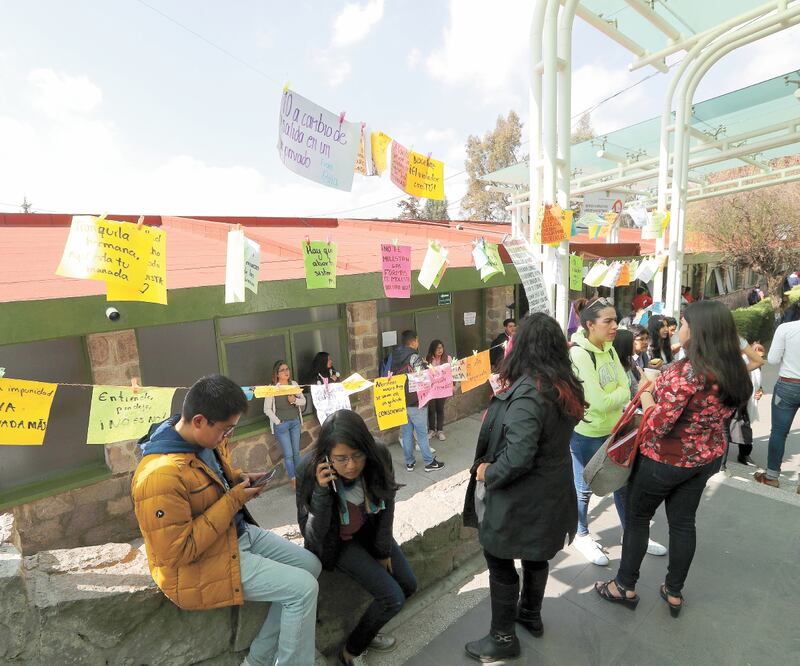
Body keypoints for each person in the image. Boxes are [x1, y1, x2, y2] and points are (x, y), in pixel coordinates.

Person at [132, 375, 321, 665]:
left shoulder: (203, 440)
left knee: (311, 566)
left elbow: (213, 477)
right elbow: (177, 552)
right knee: (303, 589)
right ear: (198, 421)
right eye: (225, 430)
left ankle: (257, 659)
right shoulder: (158, 476)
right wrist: (234, 499)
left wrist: (239, 479)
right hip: (201, 562)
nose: (227, 437)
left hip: (233, 534)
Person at [595, 301, 752, 616]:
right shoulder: (734, 368)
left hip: (665, 460)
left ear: (697, 330)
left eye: (683, 322)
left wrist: (647, 393)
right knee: (683, 522)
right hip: (706, 458)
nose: (679, 328)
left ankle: (624, 586)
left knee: (638, 519)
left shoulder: (685, 372)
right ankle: (674, 590)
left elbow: (657, 424)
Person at [462, 313, 584, 663]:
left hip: (522, 496)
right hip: (550, 491)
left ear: (523, 347)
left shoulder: (531, 392)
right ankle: (530, 614)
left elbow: (517, 457)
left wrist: (487, 472)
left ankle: (502, 637)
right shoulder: (564, 383)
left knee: (499, 560)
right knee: (535, 555)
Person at [296, 410, 416, 666]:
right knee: (392, 598)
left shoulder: (378, 455)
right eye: (341, 459)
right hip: (336, 543)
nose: (350, 465)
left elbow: (387, 501)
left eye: (357, 455)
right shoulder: (308, 469)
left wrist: (383, 551)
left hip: (368, 531)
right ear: (327, 455)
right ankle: (349, 654)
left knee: (408, 586)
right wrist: (321, 492)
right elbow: (312, 537)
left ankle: (368, 631)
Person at [569, 298, 666, 566]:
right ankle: (581, 534)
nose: (615, 326)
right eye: (608, 321)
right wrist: (618, 394)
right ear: (590, 324)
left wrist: (616, 393)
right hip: (587, 432)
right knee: (584, 486)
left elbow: (627, 386)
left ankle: (631, 534)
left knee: (622, 483)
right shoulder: (578, 353)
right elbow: (598, 402)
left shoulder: (610, 348)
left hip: (617, 427)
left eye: (616, 320)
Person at [754, 316, 800, 489]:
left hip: (788, 385)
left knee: (779, 433)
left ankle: (772, 476)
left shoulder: (786, 328)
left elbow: (772, 359)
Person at [391, 330, 445, 473]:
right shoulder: (414, 356)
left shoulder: (395, 355)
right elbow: (422, 377)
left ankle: (409, 463)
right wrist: (428, 367)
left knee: (407, 433)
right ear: (413, 341)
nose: (418, 343)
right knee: (421, 433)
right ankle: (429, 462)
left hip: (400, 400)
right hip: (415, 401)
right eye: (417, 341)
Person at [263, 360, 307, 490]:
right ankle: (294, 479)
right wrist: (277, 421)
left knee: (296, 453)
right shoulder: (272, 388)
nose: (286, 372)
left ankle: (300, 478)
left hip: (295, 422)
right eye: (282, 370)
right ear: (276, 374)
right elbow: (267, 409)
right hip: (282, 425)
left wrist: (295, 400)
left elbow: (303, 401)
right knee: (288, 455)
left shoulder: (293, 384)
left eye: (287, 369)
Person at [728, 342, 764, 466]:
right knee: (729, 428)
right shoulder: (739, 361)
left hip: (746, 401)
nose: (759, 352)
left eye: (761, 350)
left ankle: (744, 455)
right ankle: (723, 460)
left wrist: (760, 391)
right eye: (756, 349)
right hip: (734, 400)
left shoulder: (756, 365)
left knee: (743, 428)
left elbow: (757, 384)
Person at [426, 339, 452, 441]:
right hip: (432, 389)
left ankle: (440, 430)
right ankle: (432, 430)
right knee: (431, 410)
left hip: (442, 389)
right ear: (433, 349)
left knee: (440, 409)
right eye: (437, 348)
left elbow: (451, 372)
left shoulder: (447, 358)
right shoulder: (428, 359)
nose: (440, 350)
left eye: (441, 347)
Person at [612, 329, 642, 400]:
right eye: (633, 342)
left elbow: (634, 386)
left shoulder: (626, 363)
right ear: (624, 345)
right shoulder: (615, 367)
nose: (635, 344)